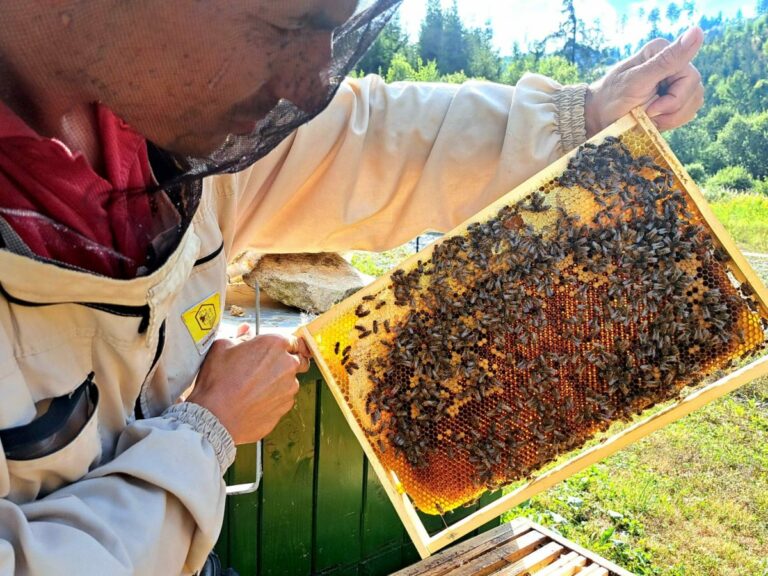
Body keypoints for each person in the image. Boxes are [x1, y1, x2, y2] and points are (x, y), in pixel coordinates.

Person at [0, 1, 704, 574]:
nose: (311, 85)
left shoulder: (166, 104)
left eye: (335, 30)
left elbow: (369, 139)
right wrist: (202, 434)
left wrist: (581, 119)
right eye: (293, 26)